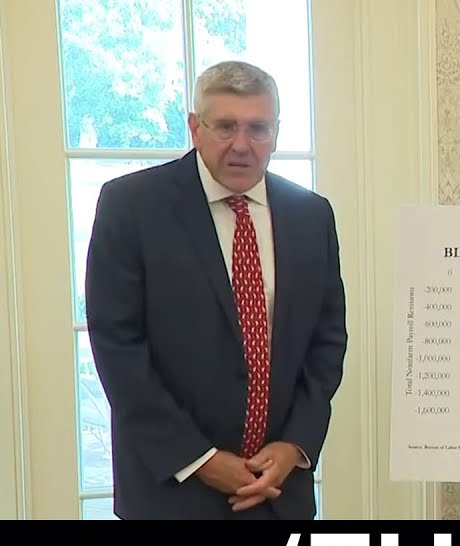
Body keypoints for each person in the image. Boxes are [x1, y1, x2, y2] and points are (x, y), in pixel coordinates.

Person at [85, 60, 347, 519]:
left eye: (258, 128)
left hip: (278, 492)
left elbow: (327, 342)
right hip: (171, 491)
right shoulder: (131, 206)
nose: (242, 145)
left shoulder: (311, 215)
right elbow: (117, 348)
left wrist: (294, 445)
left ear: (276, 133)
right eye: (226, 127)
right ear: (195, 128)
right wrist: (200, 459)